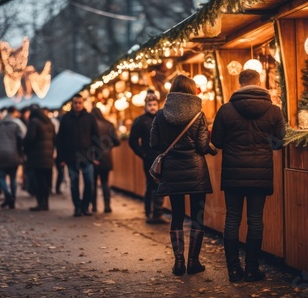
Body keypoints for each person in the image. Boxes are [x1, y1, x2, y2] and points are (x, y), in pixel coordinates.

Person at [211, 69, 286, 282]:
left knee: (232, 219)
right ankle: (252, 269)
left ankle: (234, 271)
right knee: (255, 220)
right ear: (259, 83)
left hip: (233, 173)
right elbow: (279, 142)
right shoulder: (274, 110)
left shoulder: (225, 110)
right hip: (260, 174)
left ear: (240, 84)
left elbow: (216, 142)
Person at [150, 75, 217, 276]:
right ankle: (194, 262)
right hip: (195, 172)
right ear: (191, 91)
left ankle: (178, 262)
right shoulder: (198, 115)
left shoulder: (161, 115)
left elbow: (154, 143)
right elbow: (203, 146)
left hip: (172, 171)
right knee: (197, 216)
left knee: (177, 215)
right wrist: (213, 149)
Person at [56, 94, 99, 217]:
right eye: (75, 103)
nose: (78, 105)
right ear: (72, 103)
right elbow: (60, 140)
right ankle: (77, 207)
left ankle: (85, 206)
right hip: (70, 157)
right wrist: (61, 158)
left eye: (80, 102)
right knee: (74, 184)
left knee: (89, 182)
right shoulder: (66, 118)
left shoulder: (90, 118)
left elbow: (96, 136)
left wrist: (97, 155)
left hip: (87, 157)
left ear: (83, 103)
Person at [129, 89, 167, 224]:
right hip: (149, 157)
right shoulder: (140, 121)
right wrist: (143, 154)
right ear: (145, 106)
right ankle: (150, 212)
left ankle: (157, 212)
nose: (152, 107)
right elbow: (132, 141)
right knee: (151, 185)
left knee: (160, 184)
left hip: (161, 157)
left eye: (154, 105)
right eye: (150, 105)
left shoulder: (162, 119)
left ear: (158, 105)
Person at [0, 106, 26, 209]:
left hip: (0, 154)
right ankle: (12, 198)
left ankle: (7, 195)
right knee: (13, 178)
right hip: (13, 155)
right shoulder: (16, 125)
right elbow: (21, 139)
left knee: (1, 177)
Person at [24, 106, 56, 211]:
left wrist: (24, 147)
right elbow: (54, 139)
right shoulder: (50, 123)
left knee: (38, 181)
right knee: (46, 181)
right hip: (48, 157)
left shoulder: (34, 122)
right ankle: (45, 202)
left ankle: (40, 203)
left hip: (36, 157)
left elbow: (29, 139)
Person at [90, 107, 120, 213]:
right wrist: (109, 146)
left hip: (93, 157)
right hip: (106, 158)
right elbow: (117, 141)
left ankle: (93, 206)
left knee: (93, 182)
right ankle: (107, 206)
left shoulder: (90, 125)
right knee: (105, 182)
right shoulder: (109, 124)